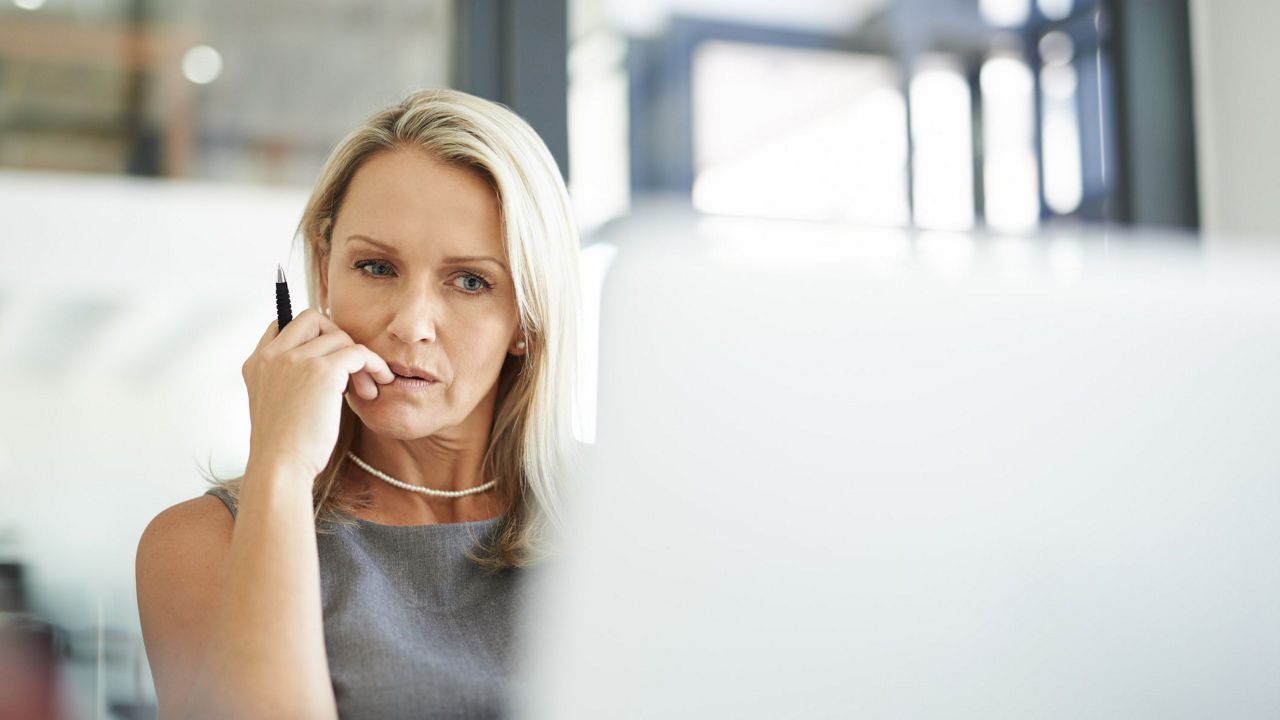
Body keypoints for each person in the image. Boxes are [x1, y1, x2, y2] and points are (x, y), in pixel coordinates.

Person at [135, 89, 581, 719]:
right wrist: (281, 468)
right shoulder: (204, 543)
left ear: (527, 318)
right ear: (324, 273)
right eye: (375, 267)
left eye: (471, 281)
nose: (411, 324)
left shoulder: (629, 516)